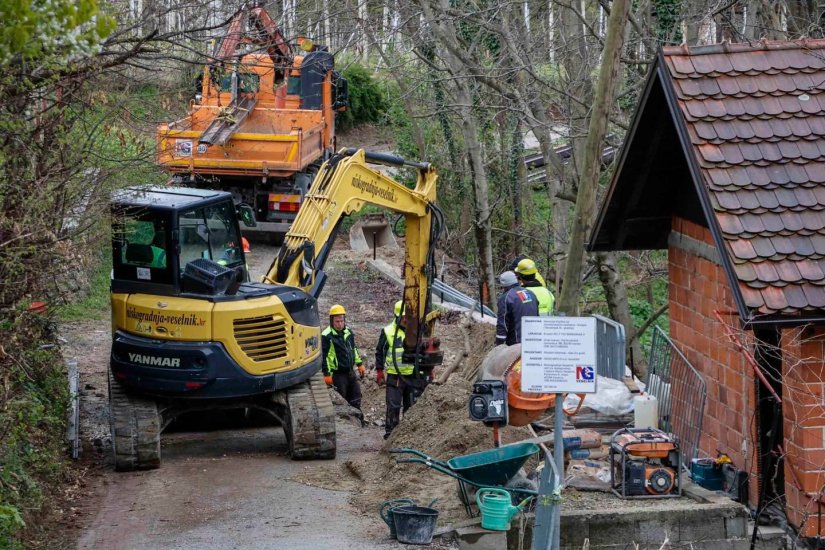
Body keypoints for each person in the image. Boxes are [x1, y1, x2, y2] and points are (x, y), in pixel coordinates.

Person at [375, 300, 427, 439]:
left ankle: (409, 435)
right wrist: (379, 370)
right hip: (395, 376)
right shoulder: (387, 331)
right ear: (397, 316)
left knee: (411, 406)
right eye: (403, 317)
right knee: (393, 406)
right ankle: (391, 434)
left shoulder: (415, 331)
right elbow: (380, 351)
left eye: (407, 317)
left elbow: (423, 352)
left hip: (412, 374)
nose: (405, 320)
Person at [321, 304, 365, 414]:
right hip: (338, 374)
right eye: (337, 321)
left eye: (341, 321)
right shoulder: (326, 335)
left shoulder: (348, 332)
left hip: (350, 371)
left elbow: (353, 348)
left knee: (356, 396)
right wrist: (326, 374)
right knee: (342, 399)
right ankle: (348, 421)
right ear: (332, 321)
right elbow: (324, 356)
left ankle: (358, 420)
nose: (340, 324)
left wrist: (359, 364)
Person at [495, 271, 539, 346]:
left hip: (516, 343)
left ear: (503, 285)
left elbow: (502, 324)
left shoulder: (506, 298)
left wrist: (499, 344)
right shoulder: (530, 293)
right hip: (534, 340)